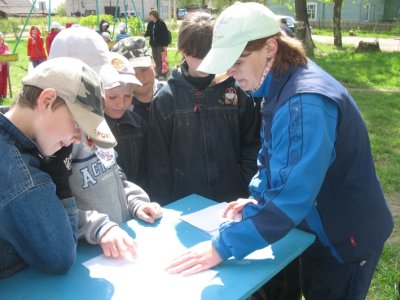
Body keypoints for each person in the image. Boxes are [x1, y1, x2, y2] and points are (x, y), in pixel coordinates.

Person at [165, 3, 394, 300]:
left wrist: (220, 246)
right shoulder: (279, 83)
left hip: (345, 238)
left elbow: (290, 198)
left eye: (238, 62)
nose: (232, 74)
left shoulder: (304, 102)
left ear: (270, 48)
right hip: (317, 228)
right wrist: (257, 199)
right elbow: (274, 157)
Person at [49, 26, 162, 259]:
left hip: (117, 243)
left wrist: (135, 203)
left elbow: (114, 175)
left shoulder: (97, 122)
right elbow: (55, 207)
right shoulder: (55, 140)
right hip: (88, 254)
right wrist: (98, 227)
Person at [0, 57, 115, 278]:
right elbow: (60, 257)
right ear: (47, 100)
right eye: (77, 124)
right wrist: (61, 180)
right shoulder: (23, 180)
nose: (78, 139)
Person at [145, 11, 260, 206]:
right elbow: (158, 162)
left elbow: (252, 145)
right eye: (196, 55)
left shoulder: (237, 91)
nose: (204, 62)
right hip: (183, 204)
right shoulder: (166, 99)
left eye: (209, 54)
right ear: (182, 50)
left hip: (232, 201)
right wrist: (165, 206)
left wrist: (244, 185)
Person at [112, 36, 166, 122]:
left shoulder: (170, 93)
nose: (140, 78)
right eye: (132, 73)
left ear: (153, 63)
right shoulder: (120, 108)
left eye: (144, 69)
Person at [143, 9, 170, 78]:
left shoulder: (161, 23)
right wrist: (145, 34)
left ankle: (162, 73)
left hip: (160, 44)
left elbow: (165, 34)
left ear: (154, 16)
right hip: (153, 44)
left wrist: (165, 45)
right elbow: (149, 32)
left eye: (151, 16)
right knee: (155, 58)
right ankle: (157, 72)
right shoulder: (150, 23)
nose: (150, 17)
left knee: (160, 58)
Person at [0, 32, 10, 99]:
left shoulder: (5, 45)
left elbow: (9, 54)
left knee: (5, 80)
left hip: (5, 65)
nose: (0, 40)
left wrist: (8, 53)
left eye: (1, 38)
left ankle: (4, 94)